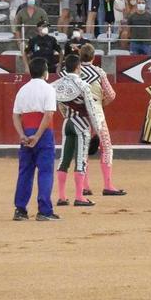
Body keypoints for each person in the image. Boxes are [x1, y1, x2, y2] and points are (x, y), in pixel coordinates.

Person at [59, 44, 124, 196]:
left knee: (82, 151)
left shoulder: (65, 74)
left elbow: (61, 98)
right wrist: (100, 104)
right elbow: (111, 94)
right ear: (94, 57)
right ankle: (108, 185)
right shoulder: (98, 72)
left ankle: (85, 187)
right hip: (96, 114)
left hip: (75, 116)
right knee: (106, 148)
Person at [12, 58, 59, 221]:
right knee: (45, 171)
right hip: (43, 134)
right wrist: (37, 136)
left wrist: (22, 135)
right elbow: (48, 115)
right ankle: (44, 211)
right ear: (45, 72)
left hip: (26, 132)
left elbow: (16, 115)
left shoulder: (22, 90)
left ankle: (20, 210)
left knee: (25, 171)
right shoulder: (49, 89)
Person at [54, 54, 102, 207]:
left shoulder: (57, 84)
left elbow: (59, 105)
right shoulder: (83, 85)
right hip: (81, 124)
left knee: (64, 160)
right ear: (77, 67)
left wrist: (66, 116)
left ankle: (61, 197)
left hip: (67, 122)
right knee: (80, 160)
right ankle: (79, 196)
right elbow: (91, 109)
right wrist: (97, 129)